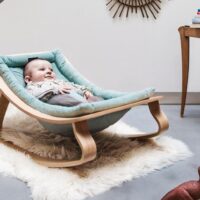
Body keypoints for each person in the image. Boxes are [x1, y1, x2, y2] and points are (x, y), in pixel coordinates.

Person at [24, 58, 103, 106]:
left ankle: (100, 106)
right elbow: (34, 95)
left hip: (78, 99)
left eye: (51, 70)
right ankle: (85, 107)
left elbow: (73, 86)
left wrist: (84, 91)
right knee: (63, 99)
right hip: (55, 99)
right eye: (42, 69)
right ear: (28, 79)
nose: (49, 71)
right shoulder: (33, 86)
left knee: (97, 98)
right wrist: (55, 89)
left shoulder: (60, 82)